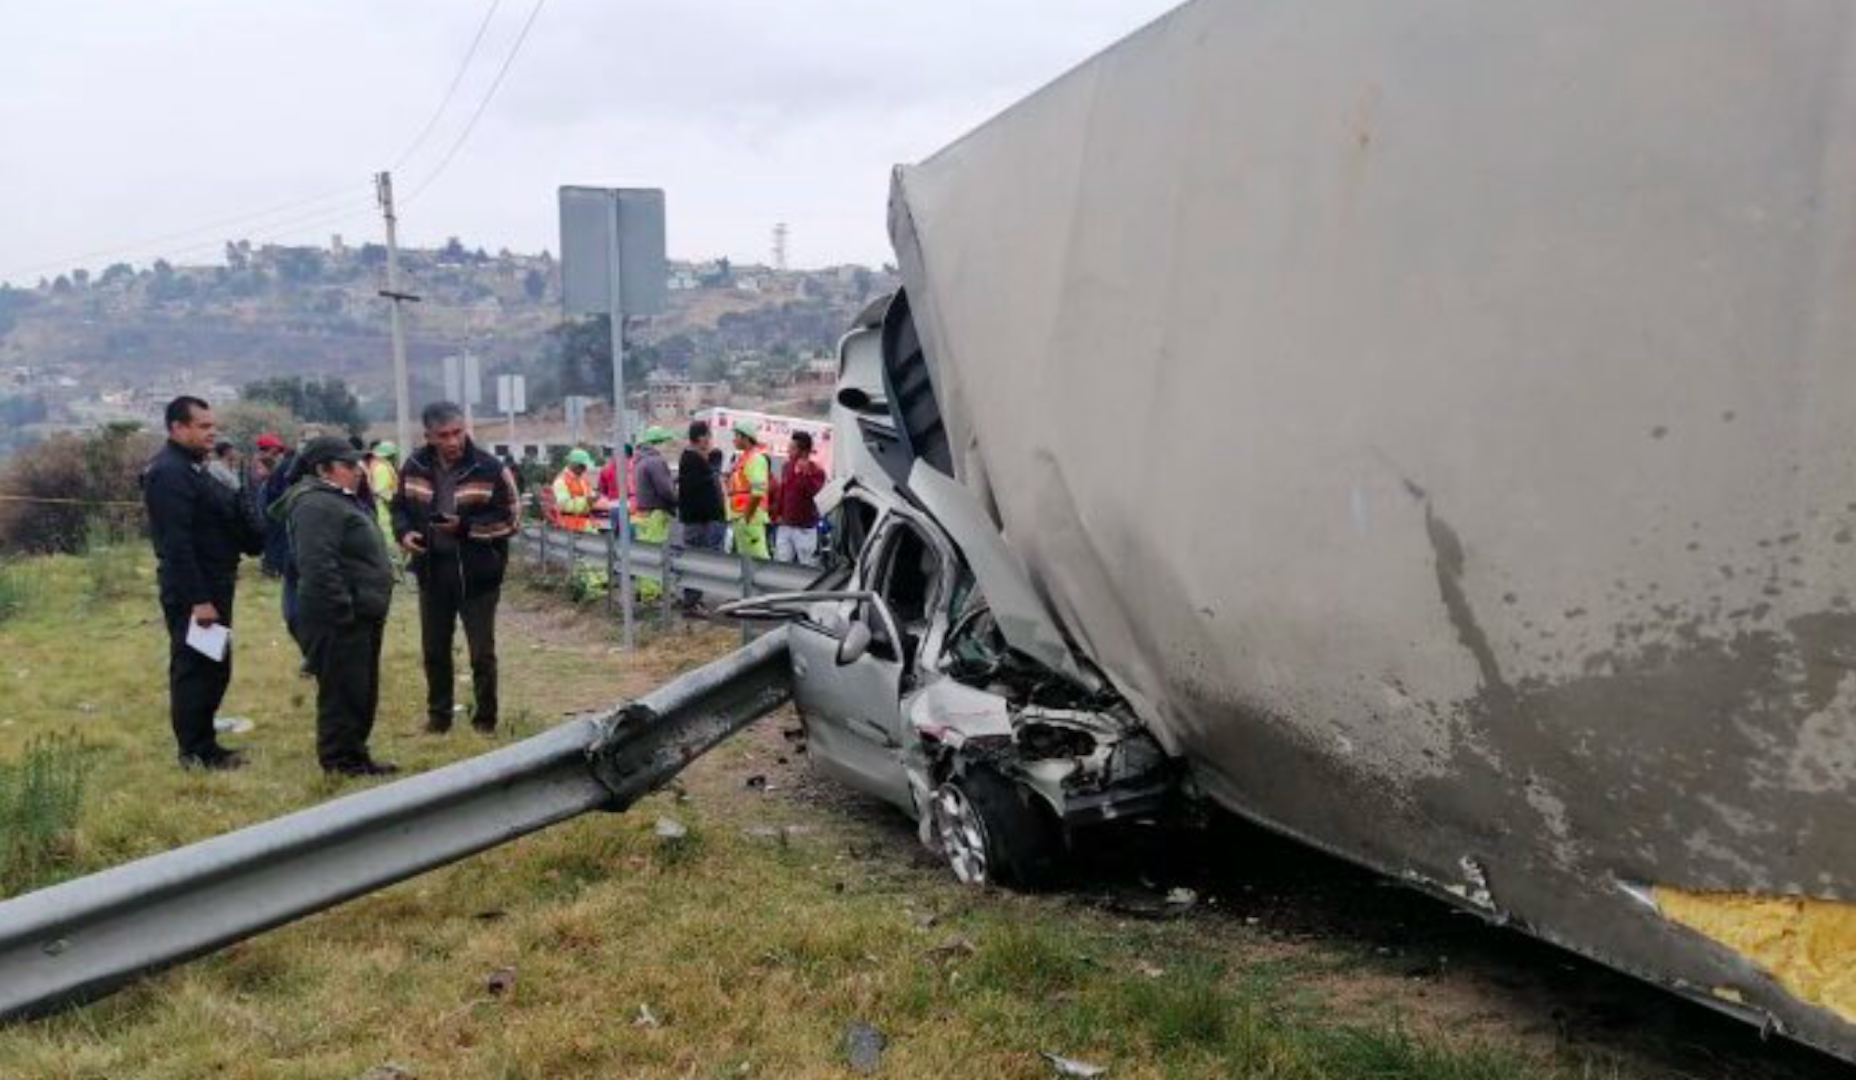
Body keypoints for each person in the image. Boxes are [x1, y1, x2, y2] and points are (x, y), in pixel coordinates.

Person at [141, 395, 262, 769]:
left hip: (217, 580)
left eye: (213, 426)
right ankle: (195, 753)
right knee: (195, 669)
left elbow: (227, 524)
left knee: (215, 666)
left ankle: (205, 743)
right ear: (177, 428)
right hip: (195, 589)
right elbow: (175, 544)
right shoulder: (168, 473)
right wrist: (198, 599)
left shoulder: (200, 469)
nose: (212, 433)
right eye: (203, 426)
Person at [392, 401, 520, 735]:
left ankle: (485, 721)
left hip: (478, 576)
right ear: (429, 436)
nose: (453, 441)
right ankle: (438, 718)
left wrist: (465, 528)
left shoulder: (490, 468)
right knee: (434, 650)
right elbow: (399, 508)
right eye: (444, 435)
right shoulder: (414, 464)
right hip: (432, 572)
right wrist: (404, 533)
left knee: (481, 654)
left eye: (458, 432)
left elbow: (511, 519)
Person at [277, 437, 398, 777]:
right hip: (340, 619)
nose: (358, 471)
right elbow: (318, 566)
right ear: (323, 469)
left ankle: (355, 756)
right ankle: (340, 763)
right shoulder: (315, 505)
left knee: (358, 690)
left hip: (361, 614)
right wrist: (343, 612)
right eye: (348, 465)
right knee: (342, 692)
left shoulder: (334, 500)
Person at [773, 431, 826, 567]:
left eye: (792, 448)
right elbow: (782, 491)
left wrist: (804, 474)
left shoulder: (817, 471)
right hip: (785, 525)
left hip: (805, 528)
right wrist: (778, 513)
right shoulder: (786, 467)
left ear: (803, 452)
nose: (788, 451)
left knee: (807, 566)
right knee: (781, 563)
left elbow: (814, 493)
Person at [726, 419, 772, 559]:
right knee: (746, 561)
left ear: (745, 437)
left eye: (736, 436)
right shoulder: (744, 458)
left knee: (758, 561)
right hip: (742, 518)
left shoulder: (756, 459)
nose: (734, 439)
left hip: (749, 520)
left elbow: (758, 492)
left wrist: (745, 519)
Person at [551, 448, 601, 533]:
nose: (585, 469)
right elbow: (563, 505)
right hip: (571, 528)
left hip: (585, 525)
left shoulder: (582, 480)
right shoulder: (561, 481)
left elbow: (589, 494)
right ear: (573, 464)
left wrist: (594, 498)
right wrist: (586, 501)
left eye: (585, 466)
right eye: (582, 466)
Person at [366, 441, 400, 548]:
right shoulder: (382, 468)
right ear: (390, 455)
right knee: (389, 542)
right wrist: (396, 502)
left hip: (381, 509)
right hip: (384, 511)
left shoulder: (376, 465)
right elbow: (381, 491)